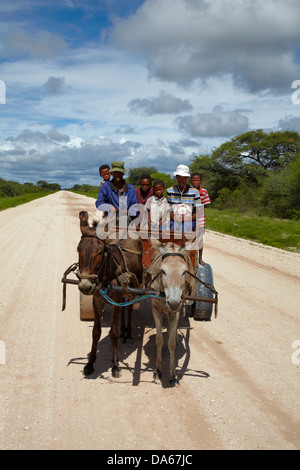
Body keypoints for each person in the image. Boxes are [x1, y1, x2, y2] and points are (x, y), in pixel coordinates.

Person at [167, 164, 201, 233]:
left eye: (184, 178)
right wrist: (173, 218)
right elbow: (169, 209)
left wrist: (185, 219)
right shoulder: (170, 191)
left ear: (187, 178)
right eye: (179, 177)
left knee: (182, 231)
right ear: (176, 177)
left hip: (189, 220)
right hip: (174, 219)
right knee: (173, 232)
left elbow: (198, 212)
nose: (181, 180)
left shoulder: (194, 192)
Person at [191, 172, 211, 265]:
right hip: (189, 217)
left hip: (200, 217)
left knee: (200, 238)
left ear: (201, 181)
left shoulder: (204, 192)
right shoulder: (189, 191)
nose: (195, 182)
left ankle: (200, 258)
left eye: (197, 180)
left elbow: (204, 206)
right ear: (191, 181)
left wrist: (198, 214)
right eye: (194, 180)